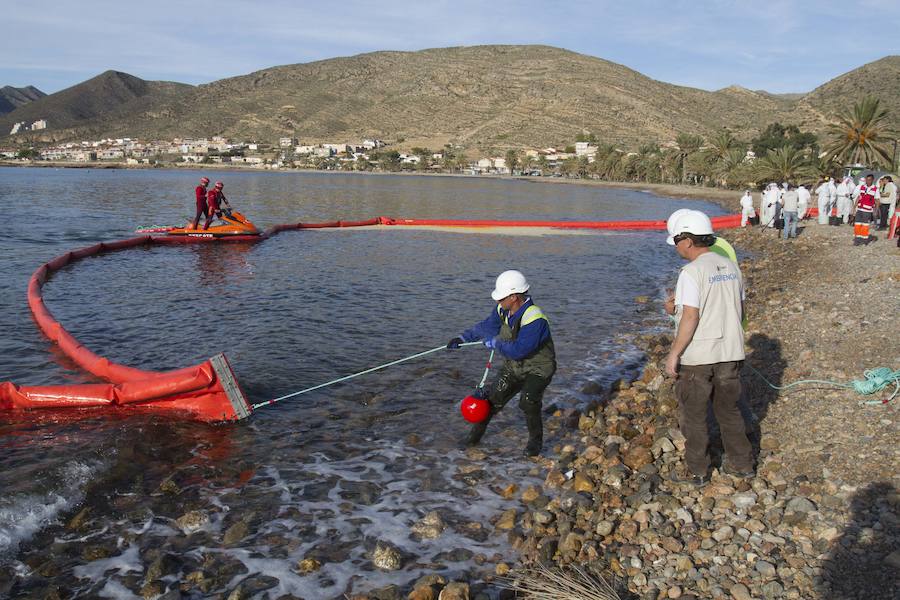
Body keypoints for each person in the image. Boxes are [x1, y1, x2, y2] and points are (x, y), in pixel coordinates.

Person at [663, 210, 752, 485]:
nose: (676, 247)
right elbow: (739, 308)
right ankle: (742, 465)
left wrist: (673, 354)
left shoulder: (691, 272)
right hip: (730, 352)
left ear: (687, 241)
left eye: (677, 241)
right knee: (730, 412)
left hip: (699, 357)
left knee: (694, 417)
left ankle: (698, 471)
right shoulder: (731, 267)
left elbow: (691, 316)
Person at [447, 270, 556, 457]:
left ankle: (535, 444)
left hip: (539, 368)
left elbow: (521, 350)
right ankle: (473, 440)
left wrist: (497, 343)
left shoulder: (535, 319)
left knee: (528, 402)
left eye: (501, 298)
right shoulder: (502, 309)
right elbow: (487, 326)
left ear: (513, 297)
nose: (497, 301)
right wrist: (462, 337)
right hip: (514, 366)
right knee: (490, 403)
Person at [852, 174, 878, 245]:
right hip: (860, 209)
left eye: (869, 180)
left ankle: (864, 240)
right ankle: (857, 239)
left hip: (867, 210)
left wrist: (876, 211)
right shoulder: (862, 187)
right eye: (866, 180)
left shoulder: (875, 189)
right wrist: (854, 207)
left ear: (872, 180)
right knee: (857, 224)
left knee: (865, 225)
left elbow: (877, 201)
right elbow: (859, 197)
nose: (867, 181)